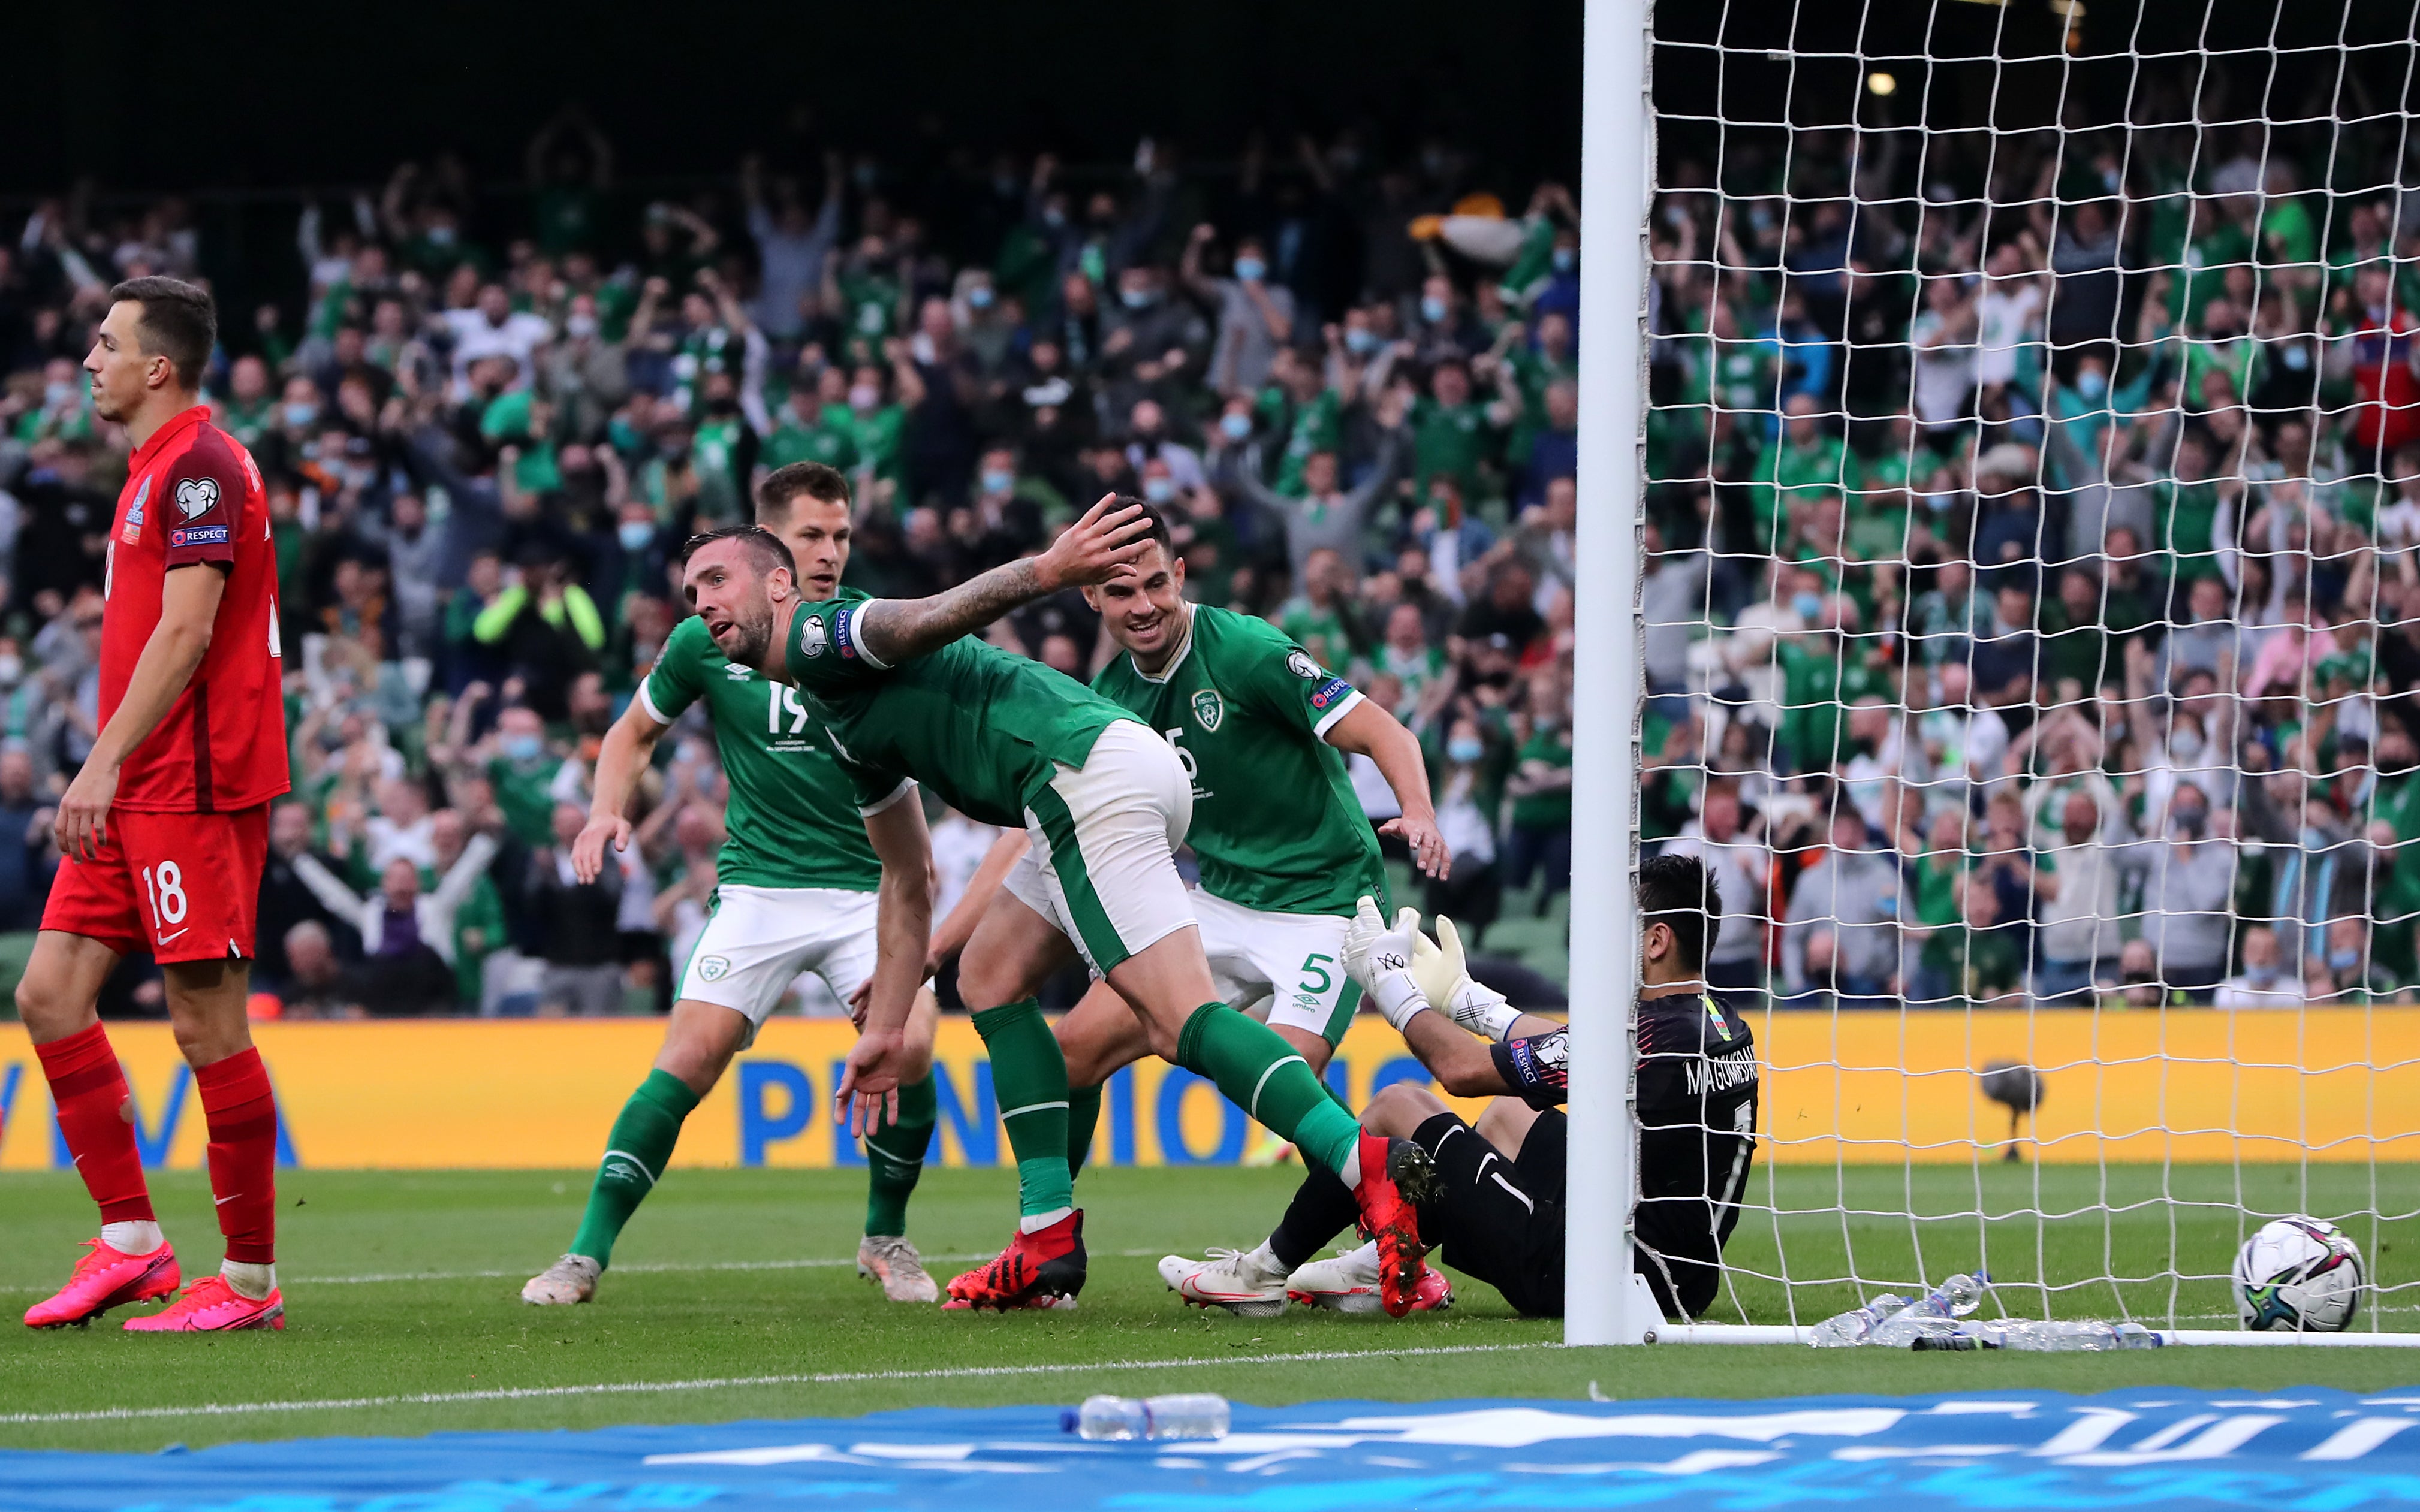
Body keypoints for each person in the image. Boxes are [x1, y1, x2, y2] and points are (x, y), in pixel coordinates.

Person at [688, 496, 1442, 1315]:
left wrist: (1043, 571)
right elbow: (908, 878)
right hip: (1084, 779)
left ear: (776, 583)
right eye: (692, 590)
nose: (702, 602)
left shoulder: (816, 630)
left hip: (1092, 778)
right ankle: (1045, 1232)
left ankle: (1364, 1166)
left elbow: (921, 620)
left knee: (1175, 1019)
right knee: (991, 972)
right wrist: (887, 1021)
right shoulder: (838, 714)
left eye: (718, 578)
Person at [522, 464, 948, 1308]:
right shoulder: (705, 641)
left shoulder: (871, 630)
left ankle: (884, 1234)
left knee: (912, 1046)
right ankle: (583, 1254)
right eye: (811, 536)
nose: (831, 553)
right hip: (759, 888)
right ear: (768, 553)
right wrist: (607, 809)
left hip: (872, 888)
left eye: (842, 535)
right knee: (686, 1058)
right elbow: (631, 731)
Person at [18, 277, 292, 1333]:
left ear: (157, 367)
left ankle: (252, 1282)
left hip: (193, 780)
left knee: (204, 1023)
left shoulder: (201, 471)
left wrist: (101, 762)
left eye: (105, 342)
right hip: (138, 781)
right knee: (48, 993)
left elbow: (186, 634)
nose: (89, 359)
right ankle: (133, 1242)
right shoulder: (155, 469)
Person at [1156, 853, 1758, 1320]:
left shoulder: (1643, 1039)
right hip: (1679, 1276)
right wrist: (1468, 1002)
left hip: (1590, 1278)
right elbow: (1576, 1049)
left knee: (1396, 1106)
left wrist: (1391, 987)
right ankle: (1387, 1262)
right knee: (1509, 1113)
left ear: (1656, 942)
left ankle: (1263, 1271)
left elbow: (1461, 1072)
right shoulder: (1717, 1021)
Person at [1051, 503, 1446, 1195]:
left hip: (1330, 904)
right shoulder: (1107, 701)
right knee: (1073, 1053)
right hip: (1220, 901)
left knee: (1284, 1083)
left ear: (1178, 574)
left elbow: (1386, 732)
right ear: (1090, 596)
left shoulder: (1245, 650)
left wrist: (1417, 811)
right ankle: (1046, 1237)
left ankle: (1392, 1234)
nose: (1142, 606)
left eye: (1154, 584)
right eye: (1119, 591)